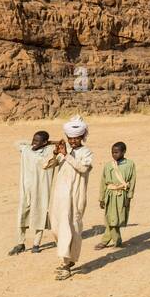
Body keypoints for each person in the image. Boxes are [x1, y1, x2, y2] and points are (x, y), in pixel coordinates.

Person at [47, 115, 93, 280]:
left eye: (76, 138)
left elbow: (83, 168)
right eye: (70, 138)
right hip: (59, 197)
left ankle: (65, 265)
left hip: (74, 197)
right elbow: (47, 166)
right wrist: (55, 154)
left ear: (82, 137)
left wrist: (67, 155)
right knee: (57, 228)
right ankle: (68, 258)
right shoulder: (64, 151)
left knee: (70, 228)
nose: (73, 141)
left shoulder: (86, 152)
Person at [9, 131, 55, 256]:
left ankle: (36, 244)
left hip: (41, 190)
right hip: (26, 189)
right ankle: (20, 243)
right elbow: (17, 143)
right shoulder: (27, 150)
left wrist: (49, 144)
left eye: (37, 140)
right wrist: (34, 143)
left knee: (40, 214)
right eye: (33, 140)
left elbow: (63, 148)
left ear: (45, 142)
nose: (34, 143)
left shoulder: (50, 152)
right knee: (22, 215)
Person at [96, 142, 136, 250]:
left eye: (117, 152)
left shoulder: (130, 164)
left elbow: (132, 181)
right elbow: (103, 182)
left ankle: (106, 241)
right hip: (110, 195)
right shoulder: (108, 165)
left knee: (117, 219)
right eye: (112, 152)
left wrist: (129, 197)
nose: (114, 154)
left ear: (123, 152)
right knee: (111, 218)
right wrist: (101, 198)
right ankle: (116, 241)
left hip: (122, 195)